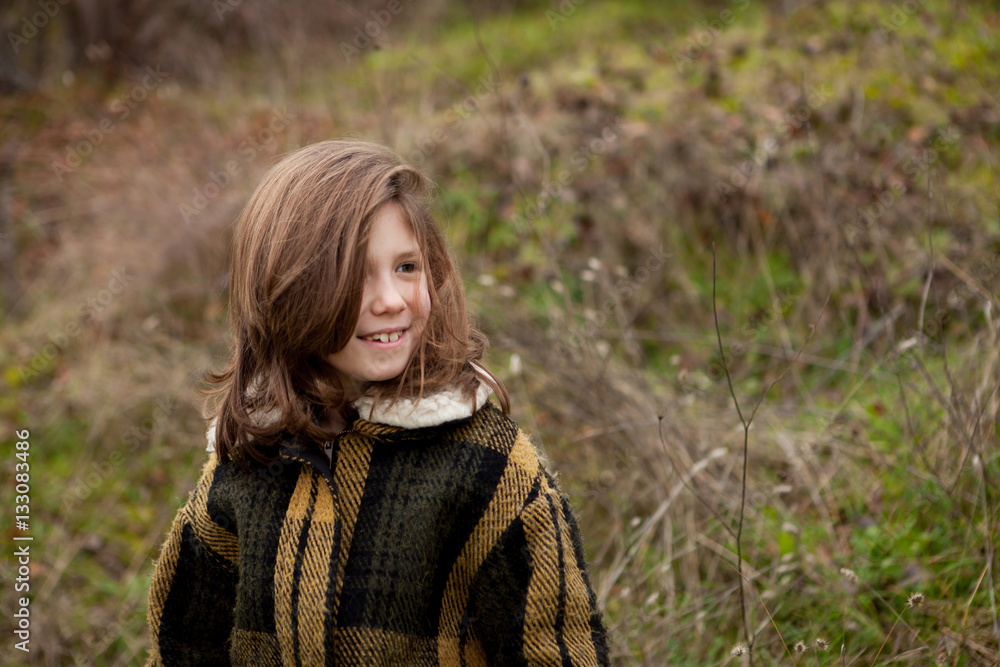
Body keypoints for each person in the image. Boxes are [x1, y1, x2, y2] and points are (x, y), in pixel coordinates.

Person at [145, 140, 610, 666]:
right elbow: (184, 645)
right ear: (286, 287)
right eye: (357, 273)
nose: (390, 300)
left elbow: (557, 651)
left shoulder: (490, 469)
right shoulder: (249, 460)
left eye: (407, 267)